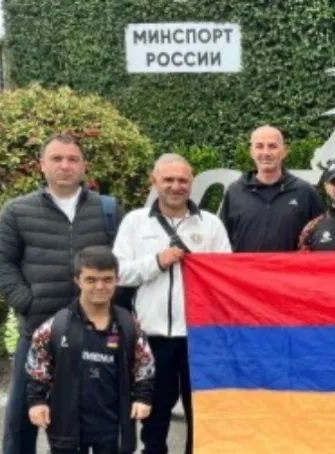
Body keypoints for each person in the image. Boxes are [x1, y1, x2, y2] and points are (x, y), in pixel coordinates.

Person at [0, 133, 124, 454]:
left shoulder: (107, 210)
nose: (65, 165)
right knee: (21, 420)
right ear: (42, 165)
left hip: (94, 335)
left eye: (73, 159)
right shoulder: (17, 211)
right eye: (57, 159)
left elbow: (124, 262)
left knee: (96, 422)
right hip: (39, 333)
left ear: (84, 165)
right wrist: (25, 301)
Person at [113, 153, 232, 454]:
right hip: (153, 336)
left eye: (182, 180)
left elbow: (227, 278)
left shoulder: (211, 224)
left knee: (202, 413)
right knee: (154, 414)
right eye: (168, 179)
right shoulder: (135, 222)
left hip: (200, 337)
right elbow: (119, 273)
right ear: (154, 181)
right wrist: (156, 262)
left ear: (191, 183)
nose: (176, 186)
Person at [25, 246, 155, 454]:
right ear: (78, 280)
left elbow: (144, 364)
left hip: (113, 426)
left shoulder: (128, 325)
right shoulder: (56, 326)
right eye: (91, 280)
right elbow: (37, 368)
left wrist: (142, 397)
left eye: (107, 279)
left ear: (117, 280)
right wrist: (37, 401)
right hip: (68, 427)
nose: (100, 286)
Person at [220, 125, 323, 251]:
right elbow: (222, 242)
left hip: (290, 265)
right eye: (259, 146)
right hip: (244, 265)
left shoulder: (304, 192)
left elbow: (319, 240)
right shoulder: (235, 192)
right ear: (251, 151)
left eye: (272, 146)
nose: (266, 153)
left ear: (284, 151)